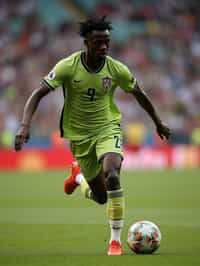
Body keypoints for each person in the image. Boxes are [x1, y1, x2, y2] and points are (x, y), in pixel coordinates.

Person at [14, 16, 171, 256]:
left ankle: (115, 242)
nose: (104, 46)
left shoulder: (116, 68)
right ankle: (78, 178)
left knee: (112, 176)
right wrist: (25, 125)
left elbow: (139, 93)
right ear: (86, 42)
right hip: (80, 138)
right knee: (100, 197)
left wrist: (158, 122)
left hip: (108, 128)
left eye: (107, 41)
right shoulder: (68, 66)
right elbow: (38, 93)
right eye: (98, 42)